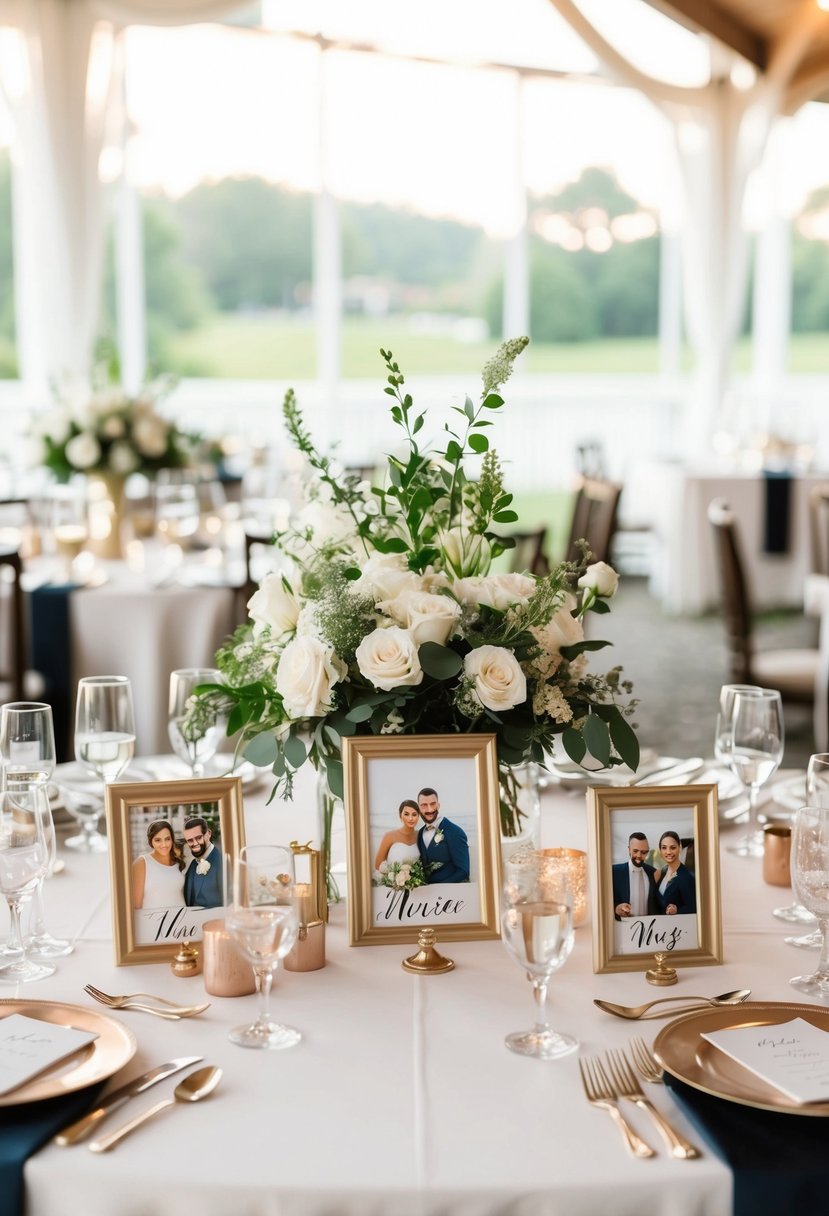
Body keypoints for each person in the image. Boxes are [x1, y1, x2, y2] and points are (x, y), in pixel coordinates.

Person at [416, 787, 470, 883]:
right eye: (424, 805)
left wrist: (439, 888)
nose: (430, 809)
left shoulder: (455, 832)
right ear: (418, 808)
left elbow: (463, 871)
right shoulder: (420, 834)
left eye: (433, 804)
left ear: (438, 805)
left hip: (451, 895)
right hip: (426, 896)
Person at [132, 819, 186, 910]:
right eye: (158, 840)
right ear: (151, 841)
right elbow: (136, 906)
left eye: (167, 839)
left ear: (172, 839)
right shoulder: (141, 863)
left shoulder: (178, 862)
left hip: (182, 920)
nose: (164, 844)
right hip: (154, 922)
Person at [612, 831, 658, 920]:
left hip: (648, 929)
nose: (639, 855)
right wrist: (616, 908)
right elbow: (603, 900)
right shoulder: (614, 871)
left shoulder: (653, 873)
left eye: (644, 852)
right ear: (629, 849)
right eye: (635, 851)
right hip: (623, 928)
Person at [182, 815, 223, 908]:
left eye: (199, 837)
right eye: (190, 840)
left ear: (208, 833)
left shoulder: (222, 861)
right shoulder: (193, 865)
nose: (195, 843)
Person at [654, 830, 696, 915]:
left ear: (679, 848)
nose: (668, 852)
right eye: (664, 848)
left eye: (673, 847)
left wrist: (677, 910)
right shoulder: (662, 872)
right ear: (660, 850)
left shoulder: (686, 876)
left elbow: (693, 907)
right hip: (659, 926)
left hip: (677, 926)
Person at [374, 800, 422, 870]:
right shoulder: (389, 836)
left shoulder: (421, 836)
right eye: (406, 814)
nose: (411, 818)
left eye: (414, 814)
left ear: (418, 816)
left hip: (418, 880)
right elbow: (377, 865)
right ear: (400, 815)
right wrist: (394, 876)